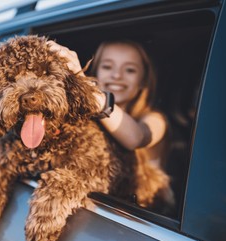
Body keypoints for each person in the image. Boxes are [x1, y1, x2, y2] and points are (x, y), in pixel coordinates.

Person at [48, 39, 168, 168]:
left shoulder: (156, 119)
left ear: (143, 80)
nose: (116, 75)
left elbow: (136, 139)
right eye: (107, 67)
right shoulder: (81, 120)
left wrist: (85, 85)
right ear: (96, 73)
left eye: (130, 70)